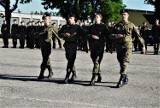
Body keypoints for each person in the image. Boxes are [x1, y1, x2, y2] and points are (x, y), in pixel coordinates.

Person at [111, 9, 146, 88]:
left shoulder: (131, 25)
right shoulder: (117, 25)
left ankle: (121, 78)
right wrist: (116, 36)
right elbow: (110, 35)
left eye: (125, 14)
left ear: (128, 15)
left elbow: (138, 36)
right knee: (121, 62)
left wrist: (143, 46)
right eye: (122, 14)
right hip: (119, 46)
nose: (123, 16)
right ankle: (125, 77)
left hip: (128, 46)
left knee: (125, 62)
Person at [58, 14, 88, 84]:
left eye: (71, 18)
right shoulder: (65, 26)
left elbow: (83, 36)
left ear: (74, 19)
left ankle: (67, 76)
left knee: (71, 61)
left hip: (74, 45)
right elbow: (59, 33)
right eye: (69, 18)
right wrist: (64, 34)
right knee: (69, 59)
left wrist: (85, 46)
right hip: (67, 45)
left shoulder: (78, 27)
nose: (69, 19)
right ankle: (74, 74)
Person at [88, 13, 112, 86]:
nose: (96, 18)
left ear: (100, 18)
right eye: (95, 17)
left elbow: (108, 37)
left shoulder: (104, 27)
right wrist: (92, 36)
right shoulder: (91, 27)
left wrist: (110, 47)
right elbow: (86, 35)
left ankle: (93, 77)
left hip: (100, 47)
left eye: (97, 17)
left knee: (96, 61)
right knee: (95, 61)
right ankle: (99, 75)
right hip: (93, 47)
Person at [38, 13, 59, 80]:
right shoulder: (41, 28)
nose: (45, 20)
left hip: (48, 45)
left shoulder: (52, 27)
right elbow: (38, 36)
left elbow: (58, 36)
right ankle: (50, 71)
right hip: (42, 45)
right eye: (44, 19)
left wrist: (62, 43)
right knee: (46, 59)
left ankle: (41, 74)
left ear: (49, 20)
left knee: (45, 59)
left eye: (46, 19)